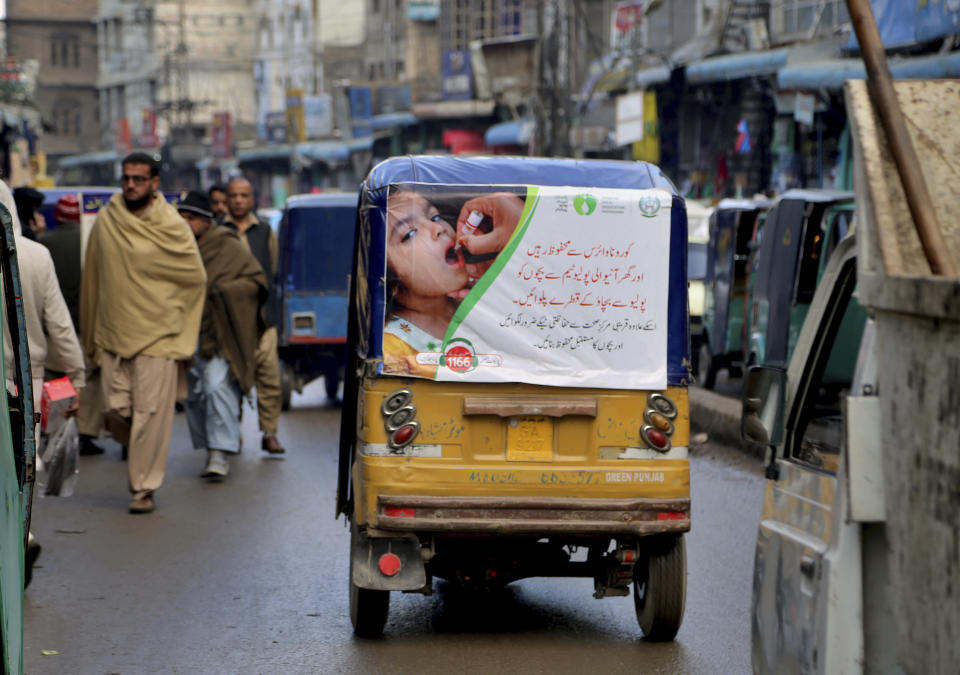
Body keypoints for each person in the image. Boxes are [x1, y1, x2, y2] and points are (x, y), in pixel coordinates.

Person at [80, 152, 206, 514]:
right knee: (114, 410)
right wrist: (89, 333)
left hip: (159, 338)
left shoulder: (172, 225)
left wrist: (176, 321)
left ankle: (143, 488)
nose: (130, 185)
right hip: (114, 333)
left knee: (150, 413)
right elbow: (93, 278)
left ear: (154, 183)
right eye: (126, 178)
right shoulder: (108, 220)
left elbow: (194, 279)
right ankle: (139, 452)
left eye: (138, 179)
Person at [1, 179, 85, 586]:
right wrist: (77, 377)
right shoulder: (36, 255)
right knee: (23, 461)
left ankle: (17, 539)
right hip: (29, 381)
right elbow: (60, 325)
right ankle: (23, 533)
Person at [383, 189, 524, 377]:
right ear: (392, 281)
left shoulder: (487, 305)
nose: (439, 228)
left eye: (434, 217)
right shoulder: (392, 347)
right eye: (409, 234)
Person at [179, 191, 266, 479]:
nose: (185, 223)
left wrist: (225, 292)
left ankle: (219, 454)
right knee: (195, 393)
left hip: (219, 333)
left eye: (191, 218)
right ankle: (212, 445)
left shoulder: (226, 246)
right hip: (184, 332)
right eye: (182, 217)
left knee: (217, 388)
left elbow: (256, 280)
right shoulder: (175, 247)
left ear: (206, 221)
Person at [220, 177, 285, 454]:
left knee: (269, 378)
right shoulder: (218, 232)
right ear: (227, 199)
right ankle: (231, 433)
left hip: (262, 319)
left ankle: (269, 432)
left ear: (251, 199)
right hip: (229, 321)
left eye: (243, 195)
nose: (238, 200)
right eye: (233, 195)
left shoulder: (265, 232)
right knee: (232, 378)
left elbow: (273, 269)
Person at [40, 194, 105, 456]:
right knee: (87, 377)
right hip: (87, 322)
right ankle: (87, 432)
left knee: (56, 378)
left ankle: (54, 429)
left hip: (52, 324)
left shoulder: (44, 244)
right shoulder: (92, 242)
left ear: (57, 216)